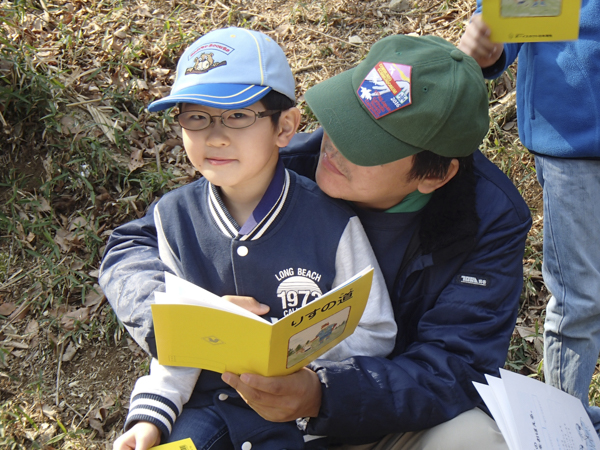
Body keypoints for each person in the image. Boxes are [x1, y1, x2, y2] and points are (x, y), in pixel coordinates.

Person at [102, 33, 533, 449]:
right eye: (343, 117)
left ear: (434, 175)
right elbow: (132, 248)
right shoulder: (282, 163)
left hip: (380, 413)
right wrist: (184, 322)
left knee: (474, 439)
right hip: (244, 412)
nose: (335, 145)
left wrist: (321, 393)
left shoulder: (487, 221)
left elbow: (454, 368)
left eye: (366, 144)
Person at [102, 27, 396, 450]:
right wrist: (150, 419)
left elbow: (376, 329)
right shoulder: (174, 218)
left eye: (238, 115)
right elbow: (175, 343)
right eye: (196, 117)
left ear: (285, 126)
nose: (215, 136)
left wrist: (295, 353)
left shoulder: (332, 222)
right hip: (203, 410)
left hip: (295, 420)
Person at [459, 0, 600, 434]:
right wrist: (487, 45)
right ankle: (563, 426)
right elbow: (502, 32)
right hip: (572, 146)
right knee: (582, 296)